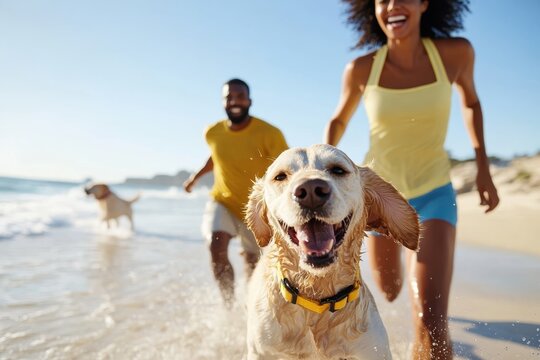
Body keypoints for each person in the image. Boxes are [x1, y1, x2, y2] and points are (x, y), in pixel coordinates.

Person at [324, 0, 499, 358]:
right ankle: (412, 269)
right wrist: (324, 167)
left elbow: (471, 103)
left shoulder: (455, 54)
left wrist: (483, 166)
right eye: (382, 1)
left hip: (434, 192)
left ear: (423, 4)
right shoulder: (361, 69)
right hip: (380, 200)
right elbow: (339, 119)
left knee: (430, 322)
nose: (392, 7)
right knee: (388, 290)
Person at [183, 78, 288, 308]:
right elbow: (215, 156)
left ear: (249, 100)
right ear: (223, 101)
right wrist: (195, 178)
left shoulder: (270, 133)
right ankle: (228, 304)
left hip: (257, 207)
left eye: (240, 96)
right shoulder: (213, 132)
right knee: (216, 246)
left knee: (253, 263)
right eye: (229, 97)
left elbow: (287, 168)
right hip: (223, 200)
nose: (234, 101)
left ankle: (250, 307)